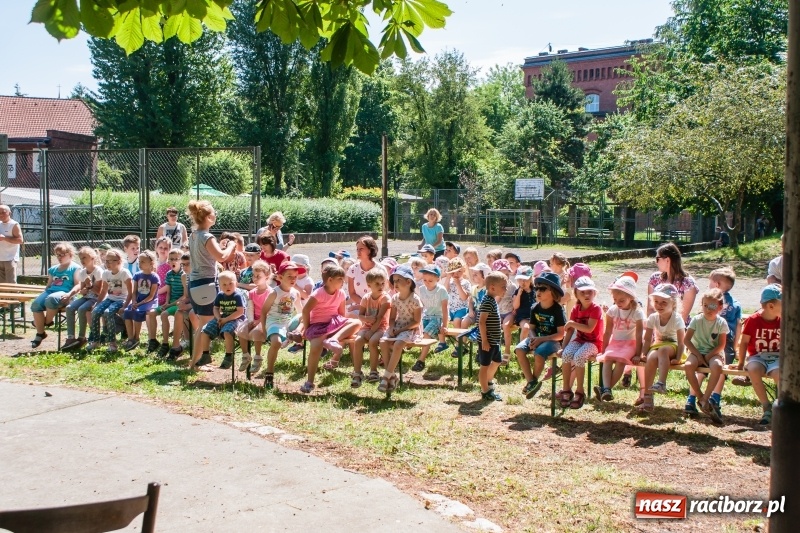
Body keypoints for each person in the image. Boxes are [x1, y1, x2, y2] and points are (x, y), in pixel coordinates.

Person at [186, 200, 238, 367]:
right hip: (206, 284)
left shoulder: (193, 235)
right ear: (208, 217)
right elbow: (222, 257)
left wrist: (221, 246)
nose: (215, 215)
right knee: (205, 325)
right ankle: (194, 364)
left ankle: (196, 361)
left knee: (202, 324)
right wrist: (230, 245)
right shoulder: (207, 236)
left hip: (195, 284)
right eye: (213, 213)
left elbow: (207, 254)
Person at [301, 265, 361, 393]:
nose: (343, 281)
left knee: (357, 322)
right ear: (330, 280)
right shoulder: (319, 293)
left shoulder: (341, 293)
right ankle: (310, 381)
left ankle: (333, 339)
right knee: (316, 346)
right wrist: (307, 329)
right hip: (318, 326)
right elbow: (305, 311)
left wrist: (342, 327)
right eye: (340, 279)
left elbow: (341, 314)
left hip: (334, 323)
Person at [514, 271, 566, 400]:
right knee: (519, 349)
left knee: (539, 353)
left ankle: (534, 381)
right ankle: (531, 381)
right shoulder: (534, 307)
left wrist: (540, 339)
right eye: (537, 287)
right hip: (537, 338)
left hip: (552, 341)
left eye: (543, 288)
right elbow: (531, 328)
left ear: (553, 292)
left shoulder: (558, 310)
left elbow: (560, 334)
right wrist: (532, 338)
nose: (538, 291)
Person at [594, 274, 644, 402]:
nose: (618, 303)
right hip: (615, 343)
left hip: (630, 344)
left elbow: (639, 335)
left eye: (621, 300)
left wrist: (638, 354)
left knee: (621, 361)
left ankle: (606, 389)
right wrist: (604, 349)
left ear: (631, 298)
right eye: (615, 300)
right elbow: (608, 331)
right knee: (607, 359)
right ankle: (607, 389)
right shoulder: (612, 310)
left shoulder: (637, 312)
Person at [557, 277, 603, 410]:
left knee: (579, 356)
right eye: (582, 292)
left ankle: (580, 391)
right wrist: (563, 347)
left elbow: (589, 328)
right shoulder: (576, 309)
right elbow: (570, 331)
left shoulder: (596, 309)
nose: (587, 295)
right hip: (580, 340)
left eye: (590, 291)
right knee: (566, 354)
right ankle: (566, 389)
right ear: (576, 294)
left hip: (594, 343)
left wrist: (572, 323)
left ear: (595, 293)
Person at [682, 288, 728, 423]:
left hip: (714, 353)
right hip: (696, 351)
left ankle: (706, 397)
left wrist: (708, 356)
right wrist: (698, 355)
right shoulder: (696, 320)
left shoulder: (721, 323)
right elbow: (686, 340)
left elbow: (721, 345)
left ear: (719, 307)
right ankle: (699, 395)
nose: (708, 309)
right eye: (705, 305)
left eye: (712, 306)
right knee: (688, 366)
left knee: (717, 366)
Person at [638, 283, 685, 413]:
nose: (659, 305)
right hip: (659, 345)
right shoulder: (653, 317)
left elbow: (682, 342)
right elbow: (647, 339)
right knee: (651, 357)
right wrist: (643, 353)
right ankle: (647, 397)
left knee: (663, 350)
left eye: (664, 302)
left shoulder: (677, 318)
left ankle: (661, 383)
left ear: (673, 303)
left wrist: (678, 358)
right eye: (656, 302)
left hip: (674, 346)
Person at [740, 284, 782, 425]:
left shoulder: (783, 320)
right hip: (757, 357)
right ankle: (766, 406)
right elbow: (744, 342)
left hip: (776, 357)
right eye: (783, 304)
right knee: (753, 370)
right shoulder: (753, 320)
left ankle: (781, 407)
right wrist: (740, 363)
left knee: (779, 374)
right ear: (771, 306)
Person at [378, 265, 423, 393]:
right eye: (394, 281)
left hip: (410, 328)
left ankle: (386, 377)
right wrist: (392, 328)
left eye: (399, 280)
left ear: (408, 282)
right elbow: (392, 318)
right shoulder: (395, 298)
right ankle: (392, 376)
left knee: (398, 345)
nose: (395, 284)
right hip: (398, 326)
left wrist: (399, 331)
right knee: (383, 342)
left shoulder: (415, 300)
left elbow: (416, 322)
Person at [257, 261, 304, 381]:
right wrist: (263, 329)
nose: (293, 279)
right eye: (289, 276)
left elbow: (300, 311)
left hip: (288, 322)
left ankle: (292, 335)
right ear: (280, 277)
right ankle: (269, 373)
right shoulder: (274, 292)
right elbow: (264, 312)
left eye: (295, 277)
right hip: (274, 322)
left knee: (302, 315)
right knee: (276, 343)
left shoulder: (295, 293)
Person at [30, 242, 81, 348]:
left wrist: (69, 294)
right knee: (35, 304)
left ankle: (46, 322)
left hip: (66, 294)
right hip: (51, 292)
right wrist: (42, 295)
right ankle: (40, 333)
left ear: (70, 254)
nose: (60, 257)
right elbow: (49, 285)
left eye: (63, 255)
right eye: (58, 255)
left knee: (51, 299)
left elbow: (78, 285)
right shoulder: (53, 269)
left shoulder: (75, 268)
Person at [192, 270, 246, 371]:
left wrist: (226, 319)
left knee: (227, 332)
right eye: (224, 284)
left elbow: (240, 312)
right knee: (205, 331)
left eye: (230, 283)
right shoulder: (220, 295)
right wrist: (218, 318)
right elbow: (215, 308)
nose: (228, 286)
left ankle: (229, 356)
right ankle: (206, 355)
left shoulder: (237, 296)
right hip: (222, 318)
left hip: (236, 319)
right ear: (220, 286)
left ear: (236, 283)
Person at [351, 267, 391, 387]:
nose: (381, 286)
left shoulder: (385, 298)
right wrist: (366, 320)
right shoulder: (366, 298)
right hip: (367, 327)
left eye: (383, 283)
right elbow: (361, 315)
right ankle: (357, 372)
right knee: (357, 341)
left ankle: (374, 371)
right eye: (377, 284)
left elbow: (380, 318)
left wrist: (372, 331)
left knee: (373, 341)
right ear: (369, 285)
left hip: (381, 327)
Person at [87, 249, 133, 353]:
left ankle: (113, 343)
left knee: (108, 313)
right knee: (95, 312)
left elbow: (131, 292)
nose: (107, 263)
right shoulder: (106, 274)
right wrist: (97, 303)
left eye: (110, 261)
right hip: (110, 299)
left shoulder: (124, 273)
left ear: (118, 261)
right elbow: (104, 291)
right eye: (106, 261)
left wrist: (125, 306)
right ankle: (96, 341)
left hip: (122, 300)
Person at [62, 247, 105, 352]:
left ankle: (82, 337)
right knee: (69, 307)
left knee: (82, 309)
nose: (82, 260)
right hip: (86, 297)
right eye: (80, 258)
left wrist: (89, 286)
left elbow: (99, 291)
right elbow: (81, 288)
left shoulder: (98, 271)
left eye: (84, 257)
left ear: (92, 258)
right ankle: (71, 337)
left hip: (95, 298)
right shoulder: (83, 272)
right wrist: (80, 291)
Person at [647, 243, 698, 325]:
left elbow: (683, 316)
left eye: (657, 259)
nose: (656, 262)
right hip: (656, 326)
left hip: (678, 329)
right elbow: (650, 309)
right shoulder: (654, 278)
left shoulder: (688, 283)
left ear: (667, 260)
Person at [477, 271, 508, 402]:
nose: (505, 289)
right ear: (492, 288)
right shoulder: (487, 302)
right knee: (484, 365)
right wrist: (484, 340)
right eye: (503, 287)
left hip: (494, 340)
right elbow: (481, 321)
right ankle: (485, 391)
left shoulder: (492, 300)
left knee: (497, 361)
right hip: (487, 341)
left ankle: (488, 382)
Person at [411, 265, 449, 371]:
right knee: (419, 333)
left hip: (438, 317)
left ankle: (421, 361)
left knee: (426, 334)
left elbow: (445, 310)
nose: (427, 282)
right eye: (425, 280)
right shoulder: (422, 289)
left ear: (438, 279)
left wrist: (445, 325)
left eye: (430, 280)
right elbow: (422, 306)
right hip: (427, 315)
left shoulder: (441, 290)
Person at [236, 260, 272, 371]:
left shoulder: (270, 292)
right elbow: (250, 307)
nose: (255, 278)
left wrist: (258, 322)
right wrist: (251, 320)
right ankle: (246, 355)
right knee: (241, 330)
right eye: (253, 276)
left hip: (265, 320)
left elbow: (269, 311)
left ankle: (257, 357)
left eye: (258, 276)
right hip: (254, 318)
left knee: (257, 332)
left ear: (266, 276)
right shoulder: (252, 292)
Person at [122, 250, 160, 351]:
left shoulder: (154, 277)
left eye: (143, 262)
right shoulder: (137, 275)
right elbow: (134, 292)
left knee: (138, 312)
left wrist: (138, 304)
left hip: (149, 302)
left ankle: (136, 338)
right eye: (139, 261)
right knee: (127, 311)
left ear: (151, 263)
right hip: (138, 301)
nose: (140, 264)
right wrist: (134, 302)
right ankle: (131, 338)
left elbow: (152, 296)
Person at [153, 248, 187, 358]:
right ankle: (156, 341)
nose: (173, 261)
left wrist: (170, 305)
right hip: (170, 303)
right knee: (151, 313)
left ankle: (166, 343)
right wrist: (166, 302)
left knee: (164, 314)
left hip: (178, 303)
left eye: (176, 259)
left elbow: (184, 296)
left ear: (181, 261)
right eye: (171, 259)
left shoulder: (184, 275)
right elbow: (169, 290)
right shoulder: (169, 274)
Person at [167, 253, 196, 360]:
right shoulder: (184, 276)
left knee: (191, 313)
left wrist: (188, 306)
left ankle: (202, 342)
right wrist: (183, 303)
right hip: (192, 304)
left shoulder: (199, 276)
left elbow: (203, 299)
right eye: (183, 264)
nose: (184, 267)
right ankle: (176, 346)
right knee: (179, 312)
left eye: (188, 264)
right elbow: (187, 296)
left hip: (203, 306)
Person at [346, 236, 383, 313]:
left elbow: (383, 292)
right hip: (357, 307)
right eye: (357, 249)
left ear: (370, 250)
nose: (358, 252)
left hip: (377, 308)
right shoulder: (353, 269)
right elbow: (352, 293)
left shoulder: (380, 270)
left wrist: (370, 306)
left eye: (361, 249)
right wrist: (363, 305)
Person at [505, 265, 534, 359]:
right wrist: (519, 295)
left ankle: (533, 346)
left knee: (537, 331)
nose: (523, 282)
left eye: (525, 279)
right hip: (523, 316)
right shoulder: (517, 292)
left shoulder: (536, 290)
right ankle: (522, 348)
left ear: (530, 279)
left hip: (535, 316)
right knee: (525, 328)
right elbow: (515, 306)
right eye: (520, 280)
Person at [0, 204, 23, 283]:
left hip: (10, 258)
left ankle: (14, 295)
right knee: (2, 285)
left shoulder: (14, 224)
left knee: (11, 283)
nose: (1, 215)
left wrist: (5, 238)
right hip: (0, 258)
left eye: (3, 212)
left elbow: (20, 240)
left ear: (9, 213)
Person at [446, 257, 471, 330]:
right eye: (453, 272)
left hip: (461, 308)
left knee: (456, 321)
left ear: (464, 270)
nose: (456, 274)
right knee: (443, 319)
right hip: (450, 308)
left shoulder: (465, 282)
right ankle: (447, 339)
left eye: (459, 271)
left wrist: (458, 284)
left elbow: (464, 297)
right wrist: (448, 278)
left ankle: (459, 340)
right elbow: (445, 291)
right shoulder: (450, 282)